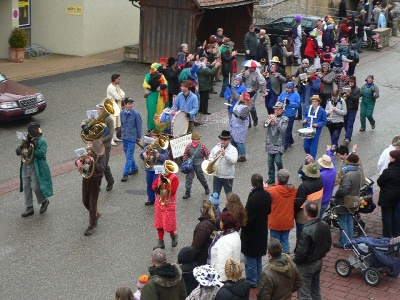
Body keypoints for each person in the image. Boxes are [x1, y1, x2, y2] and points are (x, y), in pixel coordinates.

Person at [294, 201, 332, 300]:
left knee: (304, 294)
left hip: (306, 265)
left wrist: (295, 262)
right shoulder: (324, 225)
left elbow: (301, 252)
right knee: (316, 290)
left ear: (306, 213)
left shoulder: (306, 230)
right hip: (318, 261)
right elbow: (328, 244)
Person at [241, 174, 271, 287]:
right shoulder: (267, 195)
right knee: (258, 257)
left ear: (252, 183)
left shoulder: (253, 198)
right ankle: (258, 278)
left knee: (250, 258)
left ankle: (252, 281)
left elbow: (248, 219)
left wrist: (244, 226)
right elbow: (268, 211)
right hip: (262, 229)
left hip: (252, 233)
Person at [17, 122, 52, 217]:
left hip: (36, 167)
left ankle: (44, 201)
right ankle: (29, 207)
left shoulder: (42, 141)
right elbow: (22, 147)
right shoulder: (27, 138)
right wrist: (19, 150)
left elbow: (42, 154)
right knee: (26, 187)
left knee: (36, 187)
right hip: (26, 165)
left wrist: (31, 151)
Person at [75, 139, 106, 236]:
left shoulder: (101, 153)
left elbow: (102, 168)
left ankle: (92, 225)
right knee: (85, 200)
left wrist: (92, 162)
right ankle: (95, 214)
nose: (88, 145)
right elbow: (79, 163)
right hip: (86, 177)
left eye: (90, 143)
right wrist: (78, 162)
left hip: (96, 179)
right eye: (87, 143)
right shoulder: (85, 152)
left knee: (93, 202)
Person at [333, 153, 362, 248]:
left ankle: (344, 242)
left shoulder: (348, 175)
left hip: (345, 201)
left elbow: (343, 190)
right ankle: (350, 240)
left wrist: (336, 195)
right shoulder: (358, 171)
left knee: (342, 221)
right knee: (349, 219)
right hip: (354, 199)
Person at [265, 169, 297, 254]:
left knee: (275, 242)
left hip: (275, 222)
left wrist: (265, 188)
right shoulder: (293, 190)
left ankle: (276, 258)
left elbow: (266, 197)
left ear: (278, 179)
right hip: (287, 220)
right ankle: (286, 256)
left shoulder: (272, 190)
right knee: (285, 239)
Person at [152, 160, 179, 250]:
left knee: (168, 223)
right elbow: (154, 185)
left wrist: (166, 185)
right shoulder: (160, 175)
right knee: (159, 223)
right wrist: (157, 188)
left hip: (168, 203)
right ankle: (161, 242)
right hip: (159, 202)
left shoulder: (174, 178)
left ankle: (173, 235)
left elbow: (173, 191)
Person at [209, 211, 241, 282]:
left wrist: (221, 282)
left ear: (224, 224)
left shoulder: (224, 242)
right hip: (233, 275)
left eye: (221, 221)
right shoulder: (235, 234)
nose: (219, 222)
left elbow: (222, 265)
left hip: (222, 279)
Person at [140, 130, 169, 206]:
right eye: (152, 138)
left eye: (155, 138)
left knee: (157, 184)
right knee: (149, 183)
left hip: (158, 168)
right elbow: (142, 153)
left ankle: (158, 198)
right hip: (149, 168)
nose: (153, 140)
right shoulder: (149, 146)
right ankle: (151, 199)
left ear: (159, 138)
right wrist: (143, 154)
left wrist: (159, 156)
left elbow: (166, 157)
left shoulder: (162, 147)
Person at [295, 163, 324, 239]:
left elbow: (298, 204)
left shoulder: (303, 186)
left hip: (303, 217)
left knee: (301, 238)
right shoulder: (320, 180)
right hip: (315, 213)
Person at [377, 150, 400, 238]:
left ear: (394, 159)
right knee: (395, 214)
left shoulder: (388, 171)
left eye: (391, 157)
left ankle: (387, 235)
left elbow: (380, 182)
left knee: (386, 215)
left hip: (387, 196)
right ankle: (396, 233)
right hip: (397, 195)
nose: (390, 158)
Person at [208, 130, 238, 198]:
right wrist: (210, 162)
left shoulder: (233, 150)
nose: (223, 141)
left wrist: (225, 155)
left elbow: (234, 161)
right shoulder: (216, 148)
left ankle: (229, 208)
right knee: (215, 196)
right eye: (221, 139)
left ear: (229, 140)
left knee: (229, 196)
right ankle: (215, 208)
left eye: (225, 140)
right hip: (217, 175)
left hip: (227, 177)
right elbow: (211, 157)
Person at [265, 102, 288, 184]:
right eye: (275, 109)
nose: (276, 111)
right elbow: (265, 125)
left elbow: (283, 130)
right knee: (270, 162)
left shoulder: (285, 119)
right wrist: (269, 119)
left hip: (279, 143)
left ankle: (282, 176)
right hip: (270, 143)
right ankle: (271, 178)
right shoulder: (272, 117)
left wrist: (276, 122)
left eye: (278, 110)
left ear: (282, 110)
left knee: (278, 161)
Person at [182, 132, 210, 199]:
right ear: (193, 140)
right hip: (190, 165)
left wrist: (208, 162)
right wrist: (185, 162)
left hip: (199, 164)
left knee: (201, 177)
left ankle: (206, 187)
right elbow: (185, 154)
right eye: (197, 139)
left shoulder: (202, 146)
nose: (198, 140)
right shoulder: (188, 146)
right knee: (189, 178)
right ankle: (187, 192)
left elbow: (207, 154)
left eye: (199, 139)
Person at [120, 97, 142, 183]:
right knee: (128, 155)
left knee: (128, 156)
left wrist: (138, 137)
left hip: (132, 138)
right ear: (125, 104)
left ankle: (125, 174)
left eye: (131, 104)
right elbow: (122, 124)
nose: (130, 105)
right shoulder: (122, 113)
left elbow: (139, 126)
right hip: (125, 137)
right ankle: (134, 168)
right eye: (129, 104)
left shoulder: (136, 114)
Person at [191, 199, 218, 266]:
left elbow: (196, 247)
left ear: (203, 210)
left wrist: (190, 257)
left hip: (202, 259)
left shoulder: (203, 227)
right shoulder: (216, 220)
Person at [143, 63, 168, 131]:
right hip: (152, 95)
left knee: (160, 112)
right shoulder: (148, 76)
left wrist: (161, 87)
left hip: (160, 96)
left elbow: (166, 84)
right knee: (151, 112)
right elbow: (145, 85)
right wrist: (155, 87)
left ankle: (159, 128)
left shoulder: (161, 76)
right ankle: (151, 127)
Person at [302, 95, 328, 160]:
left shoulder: (321, 110)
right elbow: (305, 115)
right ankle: (309, 156)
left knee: (313, 147)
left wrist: (318, 124)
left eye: (315, 101)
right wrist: (304, 119)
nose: (314, 103)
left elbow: (324, 121)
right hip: (307, 130)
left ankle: (312, 161)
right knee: (306, 146)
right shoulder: (308, 108)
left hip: (316, 131)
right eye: (313, 101)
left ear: (318, 102)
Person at [278, 82, 300, 151]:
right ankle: (291, 141)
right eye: (287, 88)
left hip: (291, 114)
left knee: (288, 129)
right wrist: (281, 102)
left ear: (293, 88)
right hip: (283, 113)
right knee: (284, 129)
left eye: (289, 88)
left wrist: (289, 102)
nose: (288, 89)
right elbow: (278, 100)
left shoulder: (296, 95)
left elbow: (298, 105)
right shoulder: (283, 93)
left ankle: (285, 146)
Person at [230, 92, 251, 162]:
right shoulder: (239, 102)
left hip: (240, 127)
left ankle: (242, 156)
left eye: (241, 95)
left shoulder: (246, 107)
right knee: (233, 140)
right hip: (234, 126)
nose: (240, 96)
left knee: (239, 142)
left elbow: (243, 117)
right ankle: (235, 152)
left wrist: (237, 114)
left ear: (244, 98)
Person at [317, 147, 337, 217]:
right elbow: (331, 159)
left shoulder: (322, 175)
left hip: (321, 201)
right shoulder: (334, 170)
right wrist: (328, 151)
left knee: (317, 218)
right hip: (327, 200)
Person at [107, 73, 125, 143]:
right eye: (119, 79)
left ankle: (114, 137)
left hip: (117, 106)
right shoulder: (111, 87)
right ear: (115, 80)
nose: (120, 80)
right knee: (113, 122)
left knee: (117, 123)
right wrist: (121, 96)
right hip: (113, 107)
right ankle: (111, 139)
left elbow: (123, 93)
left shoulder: (116, 86)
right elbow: (118, 97)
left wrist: (121, 95)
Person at [343, 76, 361, 144]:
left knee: (350, 123)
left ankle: (347, 138)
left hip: (353, 109)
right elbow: (343, 98)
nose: (350, 83)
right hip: (345, 108)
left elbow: (356, 98)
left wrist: (349, 95)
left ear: (354, 82)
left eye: (352, 82)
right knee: (345, 123)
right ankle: (347, 134)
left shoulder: (357, 90)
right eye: (350, 82)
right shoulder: (346, 88)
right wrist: (344, 93)